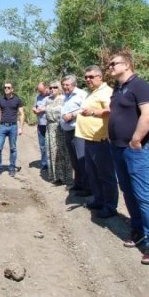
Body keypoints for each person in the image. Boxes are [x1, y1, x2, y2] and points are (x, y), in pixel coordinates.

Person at [107, 52, 149, 265]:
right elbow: (116, 113)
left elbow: (148, 115)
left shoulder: (141, 86)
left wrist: (136, 140)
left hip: (136, 150)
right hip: (117, 148)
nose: (110, 67)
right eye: (109, 64)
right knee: (128, 192)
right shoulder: (118, 89)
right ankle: (138, 230)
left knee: (142, 195)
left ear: (128, 65)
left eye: (114, 63)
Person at [74, 65, 118, 218]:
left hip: (101, 140)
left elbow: (110, 110)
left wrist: (93, 112)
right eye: (86, 77)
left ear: (100, 77)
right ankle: (99, 200)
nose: (88, 80)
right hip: (89, 139)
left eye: (91, 77)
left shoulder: (106, 92)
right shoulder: (92, 92)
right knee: (93, 173)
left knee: (106, 175)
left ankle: (110, 206)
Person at [60, 75, 89, 195]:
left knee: (81, 159)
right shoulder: (67, 97)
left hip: (78, 131)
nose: (65, 87)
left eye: (67, 85)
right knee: (74, 159)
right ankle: (78, 184)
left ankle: (88, 188)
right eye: (64, 85)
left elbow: (86, 109)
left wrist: (72, 115)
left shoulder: (82, 94)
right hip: (68, 131)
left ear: (74, 84)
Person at [0, 81, 25, 177]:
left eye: (8, 87)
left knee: (13, 148)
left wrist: (21, 128)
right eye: (5, 87)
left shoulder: (17, 100)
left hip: (13, 127)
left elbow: (22, 114)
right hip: (2, 126)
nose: (6, 89)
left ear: (12, 89)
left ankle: (12, 168)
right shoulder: (0, 100)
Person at [44, 80, 69, 184]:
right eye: (50, 88)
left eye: (55, 87)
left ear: (59, 88)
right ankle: (56, 176)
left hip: (60, 127)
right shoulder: (48, 100)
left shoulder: (64, 99)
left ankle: (66, 177)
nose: (52, 89)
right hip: (49, 127)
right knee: (51, 152)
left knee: (62, 152)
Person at [32, 82, 50, 170]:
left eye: (42, 91)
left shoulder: (52, 95)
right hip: (40, 124)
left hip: (49, 124)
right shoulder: (38, 96)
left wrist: (43, 109)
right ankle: (44, 164)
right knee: (42, 145)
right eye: (39, 91)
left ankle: (52, 165)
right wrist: (35, 109)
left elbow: (57, 107)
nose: (40, 93)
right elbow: (34, 106)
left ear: (47, 88)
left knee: (51, 145)